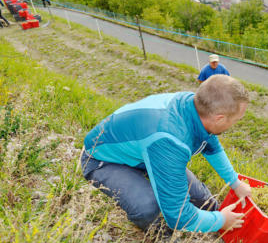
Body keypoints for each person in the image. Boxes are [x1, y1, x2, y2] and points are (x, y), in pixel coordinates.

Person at [81, 75, 251, 234]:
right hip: (104, 160)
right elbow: (179, 217)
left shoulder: (196, 106)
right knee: (148, 209)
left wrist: (235, 182)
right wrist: (220, 221)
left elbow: (212, 147)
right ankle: (158, 235)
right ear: (219, 118)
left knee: (203, 200)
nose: (234, 125)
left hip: (143, 154)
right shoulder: (169, 140)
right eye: (236, 120)